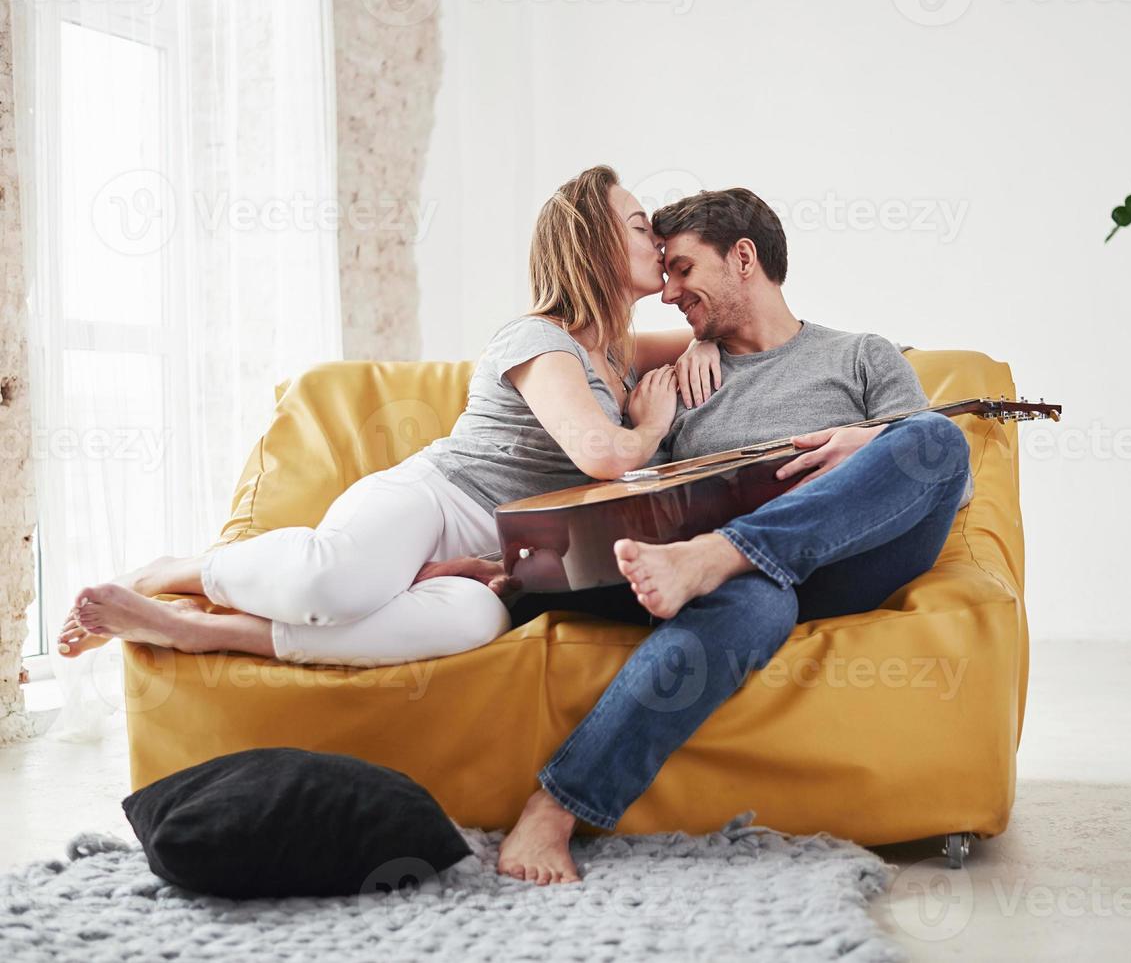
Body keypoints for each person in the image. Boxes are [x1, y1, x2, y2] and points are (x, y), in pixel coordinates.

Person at [484, 187, 975, 885]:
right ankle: (553, 811)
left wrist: (863, 443)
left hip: (854, 557)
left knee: (932, 437)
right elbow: (637, 507)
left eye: (683, 269)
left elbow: (949, 483)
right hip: (736, 583)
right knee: (759, 602)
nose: (668, 292)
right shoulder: (680, 381)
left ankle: (725, 554)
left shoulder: (862, 356)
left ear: (743, 258)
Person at [57, 166, 721, 667]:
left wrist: (706, 333)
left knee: (468, 625)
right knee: (335, 586)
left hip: (484, 557)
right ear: (592, 243)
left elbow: (720, 326)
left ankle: (202, 632)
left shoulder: (619, 353)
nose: (658, 241)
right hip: (437, 499)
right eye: (639, 227)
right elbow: (604, 457)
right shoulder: (540, 338)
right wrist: (653, 425)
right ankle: (172, 574)